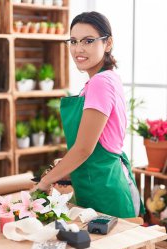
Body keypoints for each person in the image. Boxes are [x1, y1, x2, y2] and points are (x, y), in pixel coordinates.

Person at [34, 11, 144, 218]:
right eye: (73, 41)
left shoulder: (100, 83)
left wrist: (45, 182)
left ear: (108, 43)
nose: (78, 49)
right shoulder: (105, 79)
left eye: (88, 41)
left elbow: (84, 149)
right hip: (99, 186)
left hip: (107, 193)